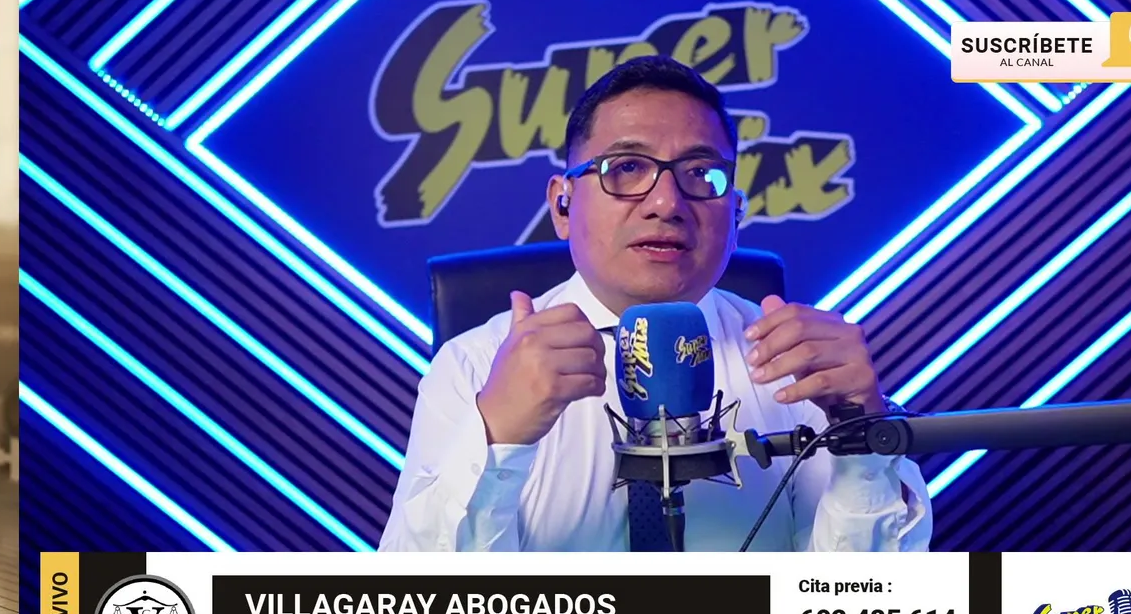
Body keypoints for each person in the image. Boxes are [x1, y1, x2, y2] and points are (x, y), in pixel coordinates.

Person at [380, 56, 931, 552]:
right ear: (563, 205)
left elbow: (864, 605)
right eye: (626, 169)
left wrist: (863, 436)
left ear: (736, 212)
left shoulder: (797, 368)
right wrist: (498, 437)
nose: (667, 203)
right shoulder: (474, 365)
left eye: (700, 174)